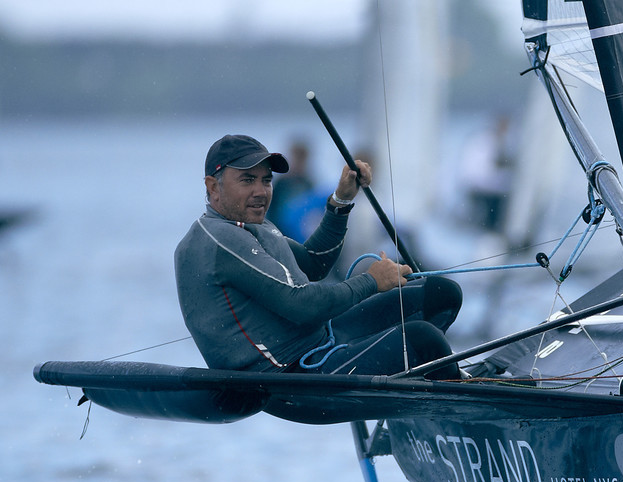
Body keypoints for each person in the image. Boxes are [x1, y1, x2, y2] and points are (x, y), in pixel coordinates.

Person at [175, 134, 462, 378]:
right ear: (213, 186)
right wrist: (372, 281)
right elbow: (302, 305)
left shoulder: (253, 226)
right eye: (248, 180)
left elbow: (315, 263)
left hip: (324, 341)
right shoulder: (219, 239)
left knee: (440, 293)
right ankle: (450, 399)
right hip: (295, 372)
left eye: (266, 180)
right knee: (424, 339)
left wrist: (342, 199)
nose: (261, 191)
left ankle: (428, 381)